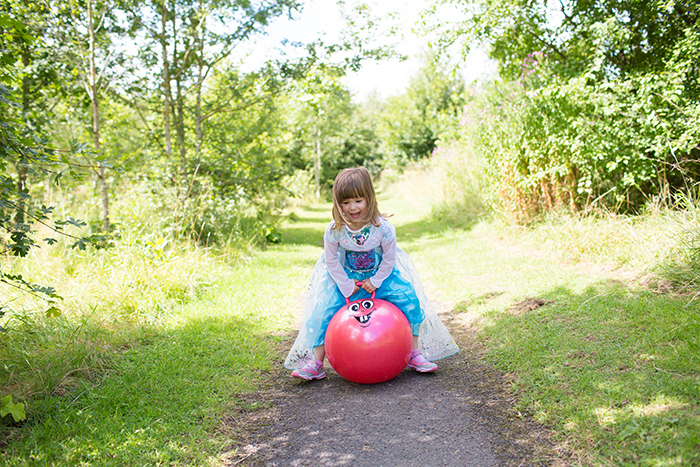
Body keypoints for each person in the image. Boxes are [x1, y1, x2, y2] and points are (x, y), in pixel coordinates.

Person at [284, 167, 459, 380]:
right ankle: (316, 363)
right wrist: (346, 285)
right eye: (346, 202)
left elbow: (389, 258)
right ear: (338, 204)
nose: (352, 207)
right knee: (323, 312)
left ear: (369, 198)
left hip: (380, 276)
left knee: (409, 300)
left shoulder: (383, 228)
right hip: (345, 278)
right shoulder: (334, 230)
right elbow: (330, 260)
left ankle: (414, 354)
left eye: (358, 200)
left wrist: (375, 281)